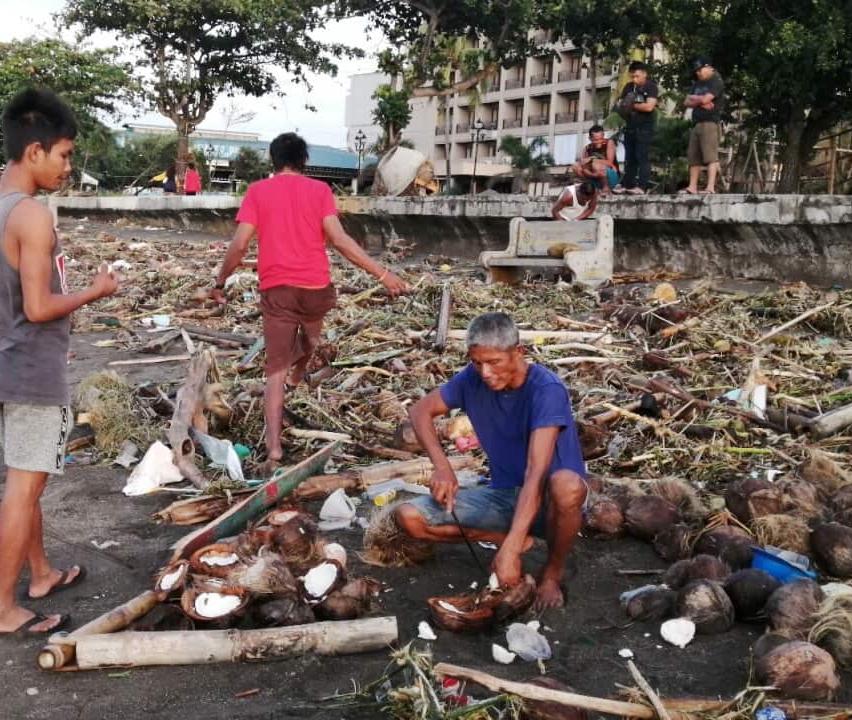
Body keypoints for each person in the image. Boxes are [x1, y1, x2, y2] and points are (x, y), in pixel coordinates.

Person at [0, 89, 121, 636]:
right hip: (33, 370)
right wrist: (95, 292)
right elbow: (37, 307)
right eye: (64, 154)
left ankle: (40, 574)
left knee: (23, 479)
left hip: (7, 366)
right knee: (24, 487)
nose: (68, 166)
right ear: (34, 152)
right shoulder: (31, 215)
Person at [212, 133, 408, 475]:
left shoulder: (258, 192)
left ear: (272, 161)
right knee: (311, 342)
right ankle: (298, 375)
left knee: (274, 372)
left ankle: (274, 448)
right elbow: (339, 239)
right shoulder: (320, 191)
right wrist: (383, 274)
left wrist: (219, 280)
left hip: (278, 290)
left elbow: (240, 244)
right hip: (317, 287)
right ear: (304, 160)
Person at [394, 312, 588, 610]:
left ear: (518, 353)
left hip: (550, 503)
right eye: (476, 362)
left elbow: (536, 474)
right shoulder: (472, 380)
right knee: (408, 516)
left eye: (494, 362)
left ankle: (552, 571)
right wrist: (442, 467)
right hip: (504, 495)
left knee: (567, 485)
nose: (484, 372)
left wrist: (509, 552)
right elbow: (420, 411)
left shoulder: (546, 390)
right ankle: (512, 540)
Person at [682, 58, 725, 195]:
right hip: (696, 123)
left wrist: (696, 99)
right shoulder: (697, 84)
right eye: (696, 71)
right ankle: (692, 186)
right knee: (693, 156)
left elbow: (706, 99)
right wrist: (701, 101)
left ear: (709, 67)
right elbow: (686, 101)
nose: (698, 73)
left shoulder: (716, 81)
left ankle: (710, 187)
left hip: (710, 122)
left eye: (700, 70)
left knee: (710, 156)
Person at [617, 61, 660, 195]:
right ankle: (627, 185)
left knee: (642, 157)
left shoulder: (651, 87)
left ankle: (642, 187)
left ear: (644, 74)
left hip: (644, 128)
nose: (635, 79)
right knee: (629, 158)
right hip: (630, 126)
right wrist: (626, 105)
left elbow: (649, 107)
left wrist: (632, 106)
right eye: (633, 76)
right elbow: (621, 105)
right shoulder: (629, 87)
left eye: (637, 76)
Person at [572, 125, 618, 194]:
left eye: (601, 139)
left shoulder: (609, 143)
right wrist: (592, 174)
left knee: (594, 164)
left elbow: (610, 163)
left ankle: (606, 187)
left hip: (610, 176)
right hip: (595, 176)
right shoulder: (587, 148)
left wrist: (592, 159)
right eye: (596, 140)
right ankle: (592, 186)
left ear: (603, 135)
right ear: (590, 138)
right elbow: (583, 165)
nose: (599, 142)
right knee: (576, 166)